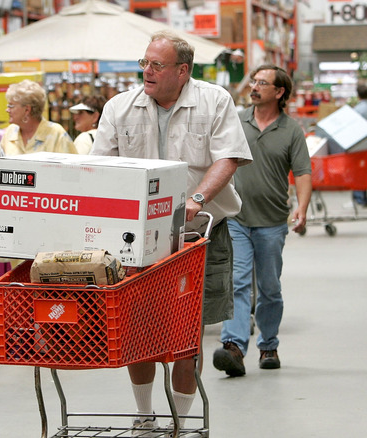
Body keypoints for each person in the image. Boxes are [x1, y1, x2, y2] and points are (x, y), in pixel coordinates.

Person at [91, 30, 253, 436]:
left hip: (199, 235)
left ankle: (181, 421)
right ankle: (144, 415)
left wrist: (195, 199)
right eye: (144, 63)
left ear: (182, 71)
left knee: (188, 330)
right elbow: (100, 167)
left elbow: (229, 157)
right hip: (136, 241)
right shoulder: (119, 107)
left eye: (156, 65)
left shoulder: (214, 101)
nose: (147, 70)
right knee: (137, 327)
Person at [211, 65, 311, 378]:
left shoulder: (291, 130)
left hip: (271, 222)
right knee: (237, 283)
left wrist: (303, 208)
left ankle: (268, 345)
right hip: (237, 218)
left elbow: (304, 172)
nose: (255, 87)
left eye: (263, 83)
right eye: (254, 81)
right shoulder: (236, 121)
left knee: (269, 288)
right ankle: (234, 347)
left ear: (279, 92)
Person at [1, 79, 77, 156]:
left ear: (27, 109)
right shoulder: (10, 132)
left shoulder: (56, 134)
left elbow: (73, 166)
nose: (7, 110)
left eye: (11, 106)